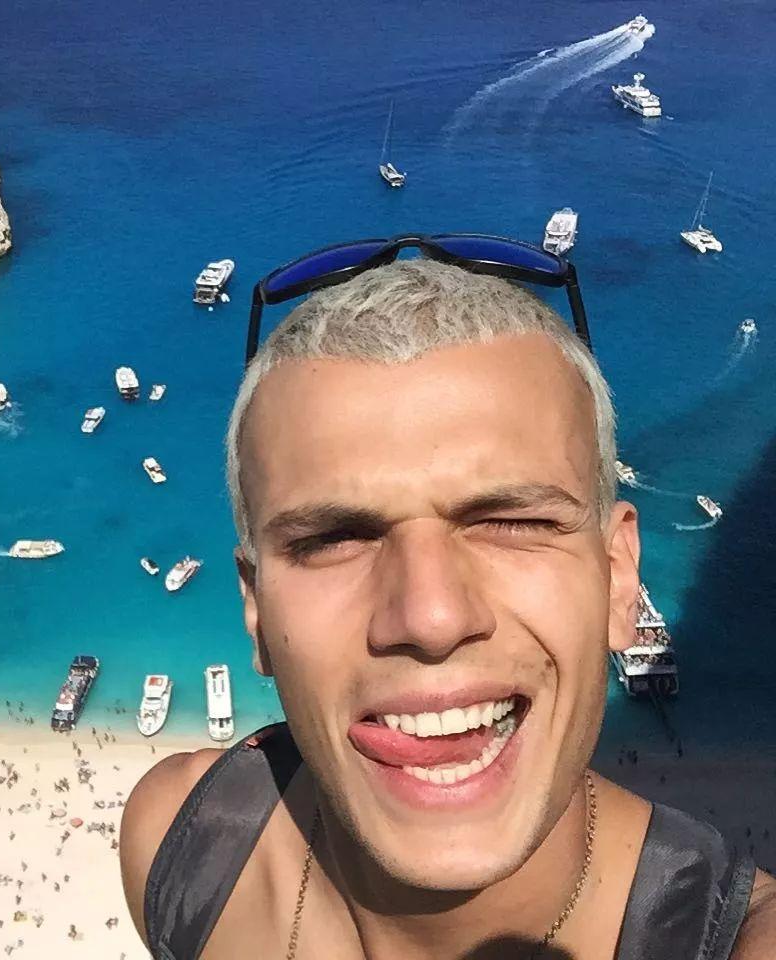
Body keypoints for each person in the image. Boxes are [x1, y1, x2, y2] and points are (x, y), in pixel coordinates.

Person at [120, 249, 776, 958]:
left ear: (618, 577)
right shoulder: (177, 847)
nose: (431, 618)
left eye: (514, 522)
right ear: (256, 609)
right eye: (335, 538)